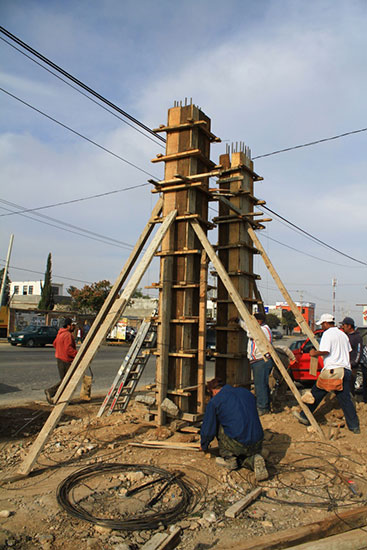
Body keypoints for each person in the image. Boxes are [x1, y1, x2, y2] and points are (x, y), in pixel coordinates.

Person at [293, 313, 360, 434]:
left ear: (325, 323)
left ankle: (304, 415)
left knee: (316, 392)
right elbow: (349, 350)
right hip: (345, 370)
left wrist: (313, 353)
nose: (322, 327)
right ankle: (354, 426)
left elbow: (325, 351)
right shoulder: (343, 334)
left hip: (333, 371)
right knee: (345, 400)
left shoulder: (328, 334)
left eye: (322, 324)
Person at [200, 378, 268, 480]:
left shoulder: (215, 401)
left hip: (237, 444)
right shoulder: (246, 393)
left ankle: (230, 458)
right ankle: (253, 459)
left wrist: (204, 445)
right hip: (258, 442)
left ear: (213, 391)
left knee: (219, 422)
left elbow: (208, 429)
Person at [232, 312, 273, 415]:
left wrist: (241, 322)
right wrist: (239, 321)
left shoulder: (263, 329)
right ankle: (266, 405)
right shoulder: (260, 328)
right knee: (262, 384)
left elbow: (250, 331)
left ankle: (262, 408)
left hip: (261, 360)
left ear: (258, 321)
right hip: (259, 361)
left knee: (260, 385)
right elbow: (248, 328)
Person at [45, 318, 77, 404]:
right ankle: (51, 391)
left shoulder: (60, 333)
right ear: (68, 325)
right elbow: (69, 349)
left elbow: (55, 343)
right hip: (66, 360)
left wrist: (60, 350)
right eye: (73, 325)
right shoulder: (68, 335)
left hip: (59, 359)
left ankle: (63, 399)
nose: (74, 327)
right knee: (67, 381)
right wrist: (77, 355)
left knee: (65, 380)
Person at [340, 316, 363, 396]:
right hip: (344, 365)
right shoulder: (344, 336)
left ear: (349, 326)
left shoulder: (357, 337)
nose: (342, 327)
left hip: (352, 366)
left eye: (344, 325)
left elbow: (359, 351)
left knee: (350, 385)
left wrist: (353, 363)